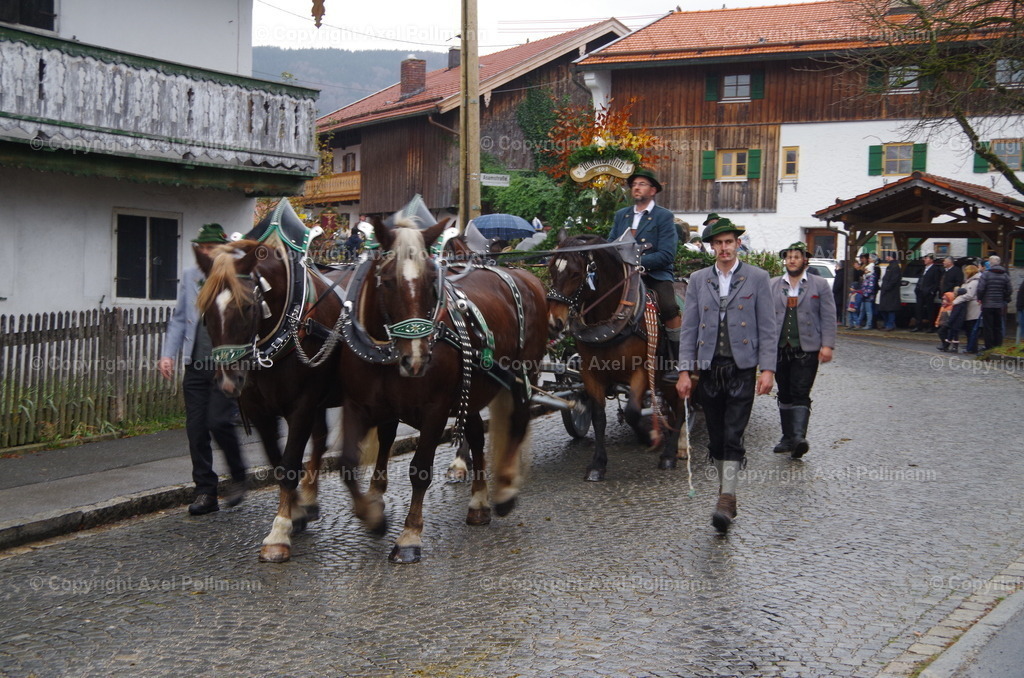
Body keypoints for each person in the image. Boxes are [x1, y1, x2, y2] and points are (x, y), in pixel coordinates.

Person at [676, 217, 777, 533]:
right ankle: (726, 492)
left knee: (733, 434)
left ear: (737, 244)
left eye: (729, 242)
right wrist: (684, 371)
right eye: (718, 243)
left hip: (742, 368)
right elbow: (689, 328)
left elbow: (768, 327)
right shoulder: (698, 280)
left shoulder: (757, 278)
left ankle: (726, 497)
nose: (724, 248)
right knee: (717, 437)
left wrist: (768, 370)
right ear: (711, 247)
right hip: (709, 369)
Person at [158, 224, 247, 516]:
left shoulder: (237, 274)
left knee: (219, 421)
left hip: (226, 365)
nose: (206, 253)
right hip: (195, 363)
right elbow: (179, 317)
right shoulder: (190, 275)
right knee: (196, 429)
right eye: (202, 248)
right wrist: (168, 355)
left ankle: (238, 476)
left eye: (211, 248)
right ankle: (205, 491)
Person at [608, 168, 680, 372]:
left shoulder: (664, 216)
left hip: (654, 275)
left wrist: (639, 264)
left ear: (653, 190)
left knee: (669, 307)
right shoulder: (621, 215)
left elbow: (667, 254)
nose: (636, 188)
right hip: (623, 276)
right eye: (634, 185)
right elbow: (610, 245)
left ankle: (677, 361)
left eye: (641, 184)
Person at [770, 242, 836, 459]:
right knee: (784, 392)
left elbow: (828, 316)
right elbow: (765, 317)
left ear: (805, 260)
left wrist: (827, 345)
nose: (792, 260)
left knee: (800, 391)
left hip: (807, 347)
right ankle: (787, 437)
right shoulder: (773, 284)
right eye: (788, 257)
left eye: (796, 257)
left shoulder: (819, 284)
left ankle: (799, 438)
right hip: (779, 348)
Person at [976, 255, 1012, 351]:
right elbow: (1009, 290)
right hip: (999, 304)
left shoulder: (986, 274)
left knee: (988, 326)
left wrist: (980, 298)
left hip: (987, 304)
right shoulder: (1005, 275)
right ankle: (998, 345)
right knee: (998, 326)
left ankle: (989, 346)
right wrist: (1003, 297)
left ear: (990, 263)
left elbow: (981, 289)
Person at [945, 264, 982, 353]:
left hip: (972, 308)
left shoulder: (973, 282)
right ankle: (970, 347)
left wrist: (957, 300)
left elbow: (969, 295)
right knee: (969, 329)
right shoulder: (971, 281)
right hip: (970, 307)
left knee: (971, 329)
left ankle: (972, 348)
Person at [912, 254, 941, 332]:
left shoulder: (935, 269)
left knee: (930, 310)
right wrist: (917, 288)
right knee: (918, 309)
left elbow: (936, 282)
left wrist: (932, 291)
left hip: (928, 292)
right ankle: (918, 326)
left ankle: (931, 327)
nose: (924, 260)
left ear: (931, 260)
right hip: (920, 291)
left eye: (926, 258)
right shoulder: (924, 268)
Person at [877, 254, 902, 331]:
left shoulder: (895, 267)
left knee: (890, 310)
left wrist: (887, 287)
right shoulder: (890, 266)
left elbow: (894, 280)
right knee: (883, 309)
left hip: (891, 292)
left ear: (891, 257)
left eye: (888, 256)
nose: (886, 257)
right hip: (886, 291)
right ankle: (887, 324)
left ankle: (890, 325)